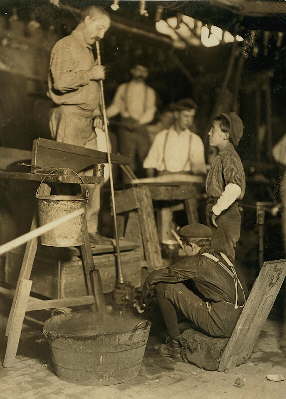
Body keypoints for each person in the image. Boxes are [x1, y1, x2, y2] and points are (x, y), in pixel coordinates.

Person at [47, 6, 111, 243]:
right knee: (67, 177)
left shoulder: (86, 50)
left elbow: (88, 90)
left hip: (86, 120)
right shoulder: (66, 45)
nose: (102, 35)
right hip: (70, 117)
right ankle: (64, 237)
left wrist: (97, 112)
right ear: (88, 19)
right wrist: (90, 74)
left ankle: (89, 232)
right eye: (100, 27)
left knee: (95, 175)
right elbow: (61, 82)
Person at [142, 223, 247, 360]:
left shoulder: (197, 262)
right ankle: (180, 324)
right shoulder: (224, 256)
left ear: (192, 246)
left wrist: (144, 297)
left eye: (183, 246)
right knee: (187, 283)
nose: (182, 250)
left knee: (164, 286)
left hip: (221, 323)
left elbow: (154, 277)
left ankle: (175, 346)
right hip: (240, 319)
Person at [143, 98, 206, 249]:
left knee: (178, 207)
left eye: (192, 117)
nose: (189, 121)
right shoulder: (161, 137)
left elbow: (199, 170)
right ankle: (164, 244)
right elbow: (150, 164)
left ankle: (182, 244)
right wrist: (150, 189)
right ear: (176, 114)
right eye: (186, 116)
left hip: (184, 186)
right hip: (163, 184)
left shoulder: (195, 140)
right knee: (163, 206)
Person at [206, 112, 246, 261]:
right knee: (217, 259)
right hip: (221, 212)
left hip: (224, 215)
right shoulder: (223, 155)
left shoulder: (229, 156)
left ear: (226, 134)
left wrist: (216, 210)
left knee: (223, 260)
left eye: (213, 129)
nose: (209, 133)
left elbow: (235, 187)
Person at [107, 64, 157, 176]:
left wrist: (139, 122)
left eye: (144, 71)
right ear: (132, 71)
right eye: (138, 70)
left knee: (146, 159)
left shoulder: (149, 91)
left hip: (141, 127)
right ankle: (128, 188)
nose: (141, 74)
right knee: (127, 160)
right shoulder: (123, 88)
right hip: (125, 129)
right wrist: (105, 115)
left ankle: (148, 187)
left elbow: (150, 111)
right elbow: (116, 106)